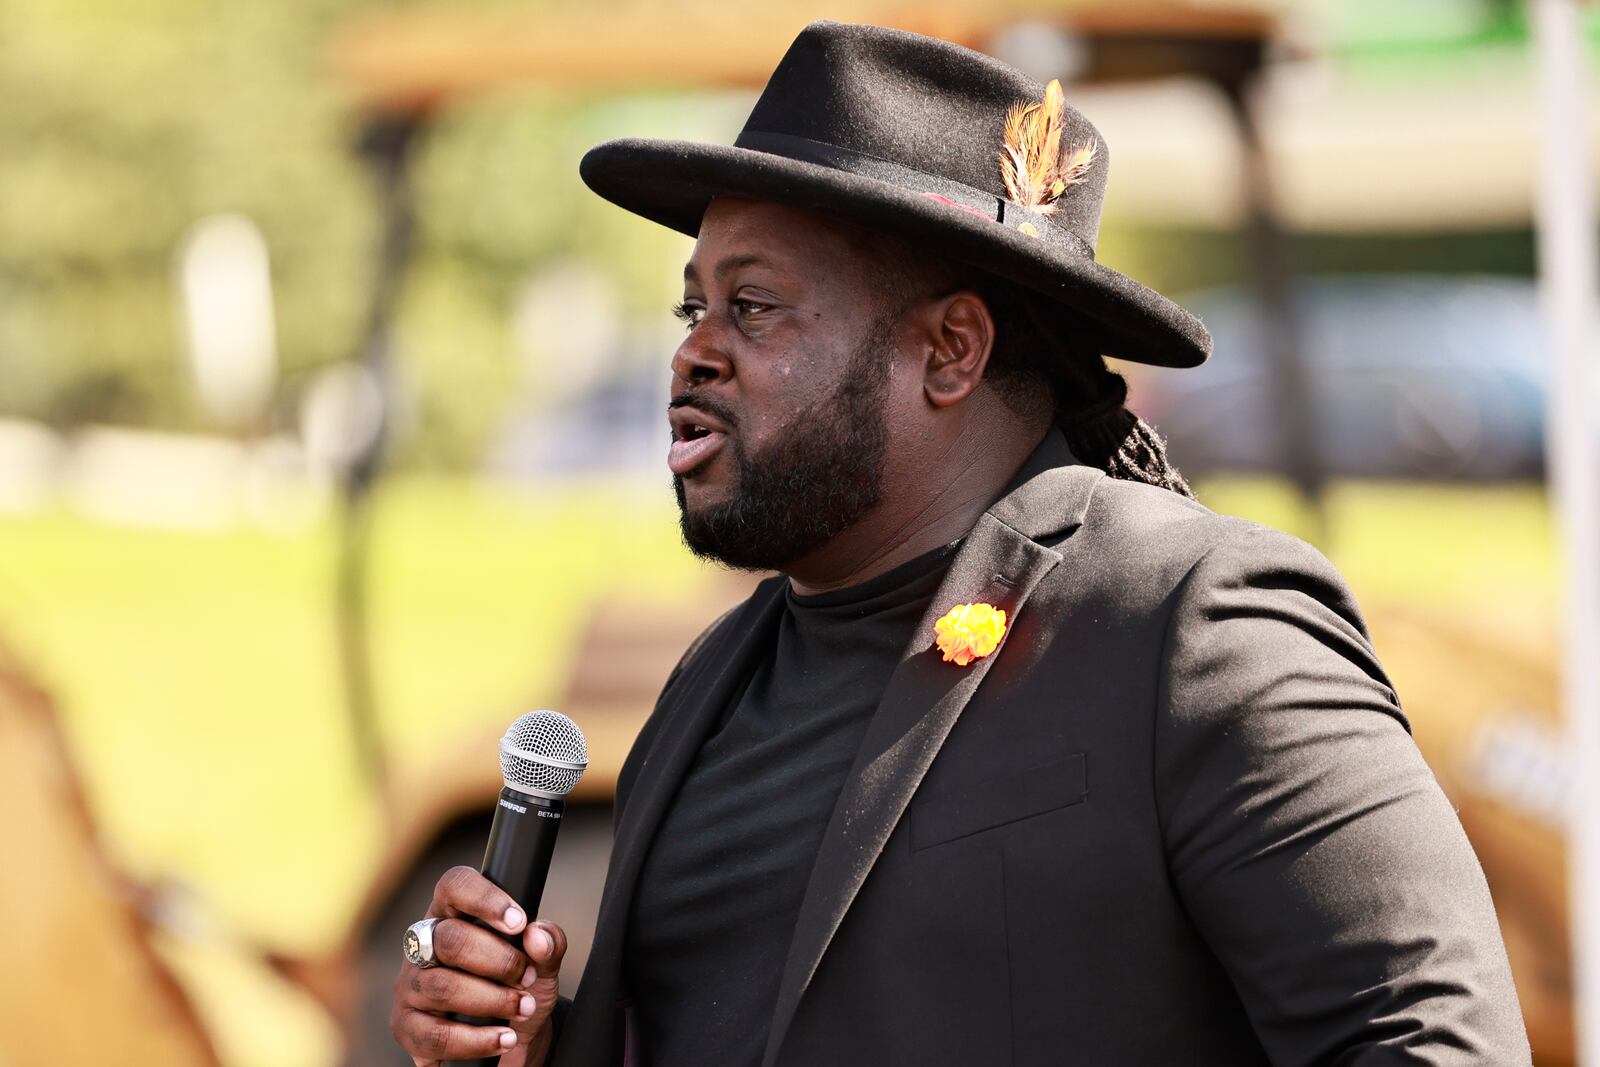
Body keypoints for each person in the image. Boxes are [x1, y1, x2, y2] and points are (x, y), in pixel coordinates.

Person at [389, 20, 1531, 1067]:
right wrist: (527, 1049)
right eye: (694, 309)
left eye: (755, 306)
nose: (694, 353)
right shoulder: (709, 686)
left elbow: (1427, 1043)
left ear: (949, 352)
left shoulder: (1189, 622)